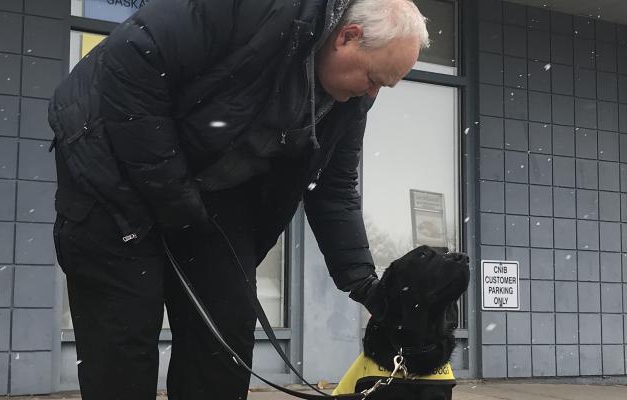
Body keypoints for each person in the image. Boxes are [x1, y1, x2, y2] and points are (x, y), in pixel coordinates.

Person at [47, 0, 428, 398]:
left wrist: (365, 285)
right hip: (110, 168)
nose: (371, 93)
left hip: (211, 192)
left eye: (382, 87)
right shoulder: (256, 9)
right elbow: (132, 58)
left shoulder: (352, 100)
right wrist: (173, 196)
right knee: (122, 341)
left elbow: (332, 188)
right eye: (372, 79)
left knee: (224, 337)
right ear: (348, 37)